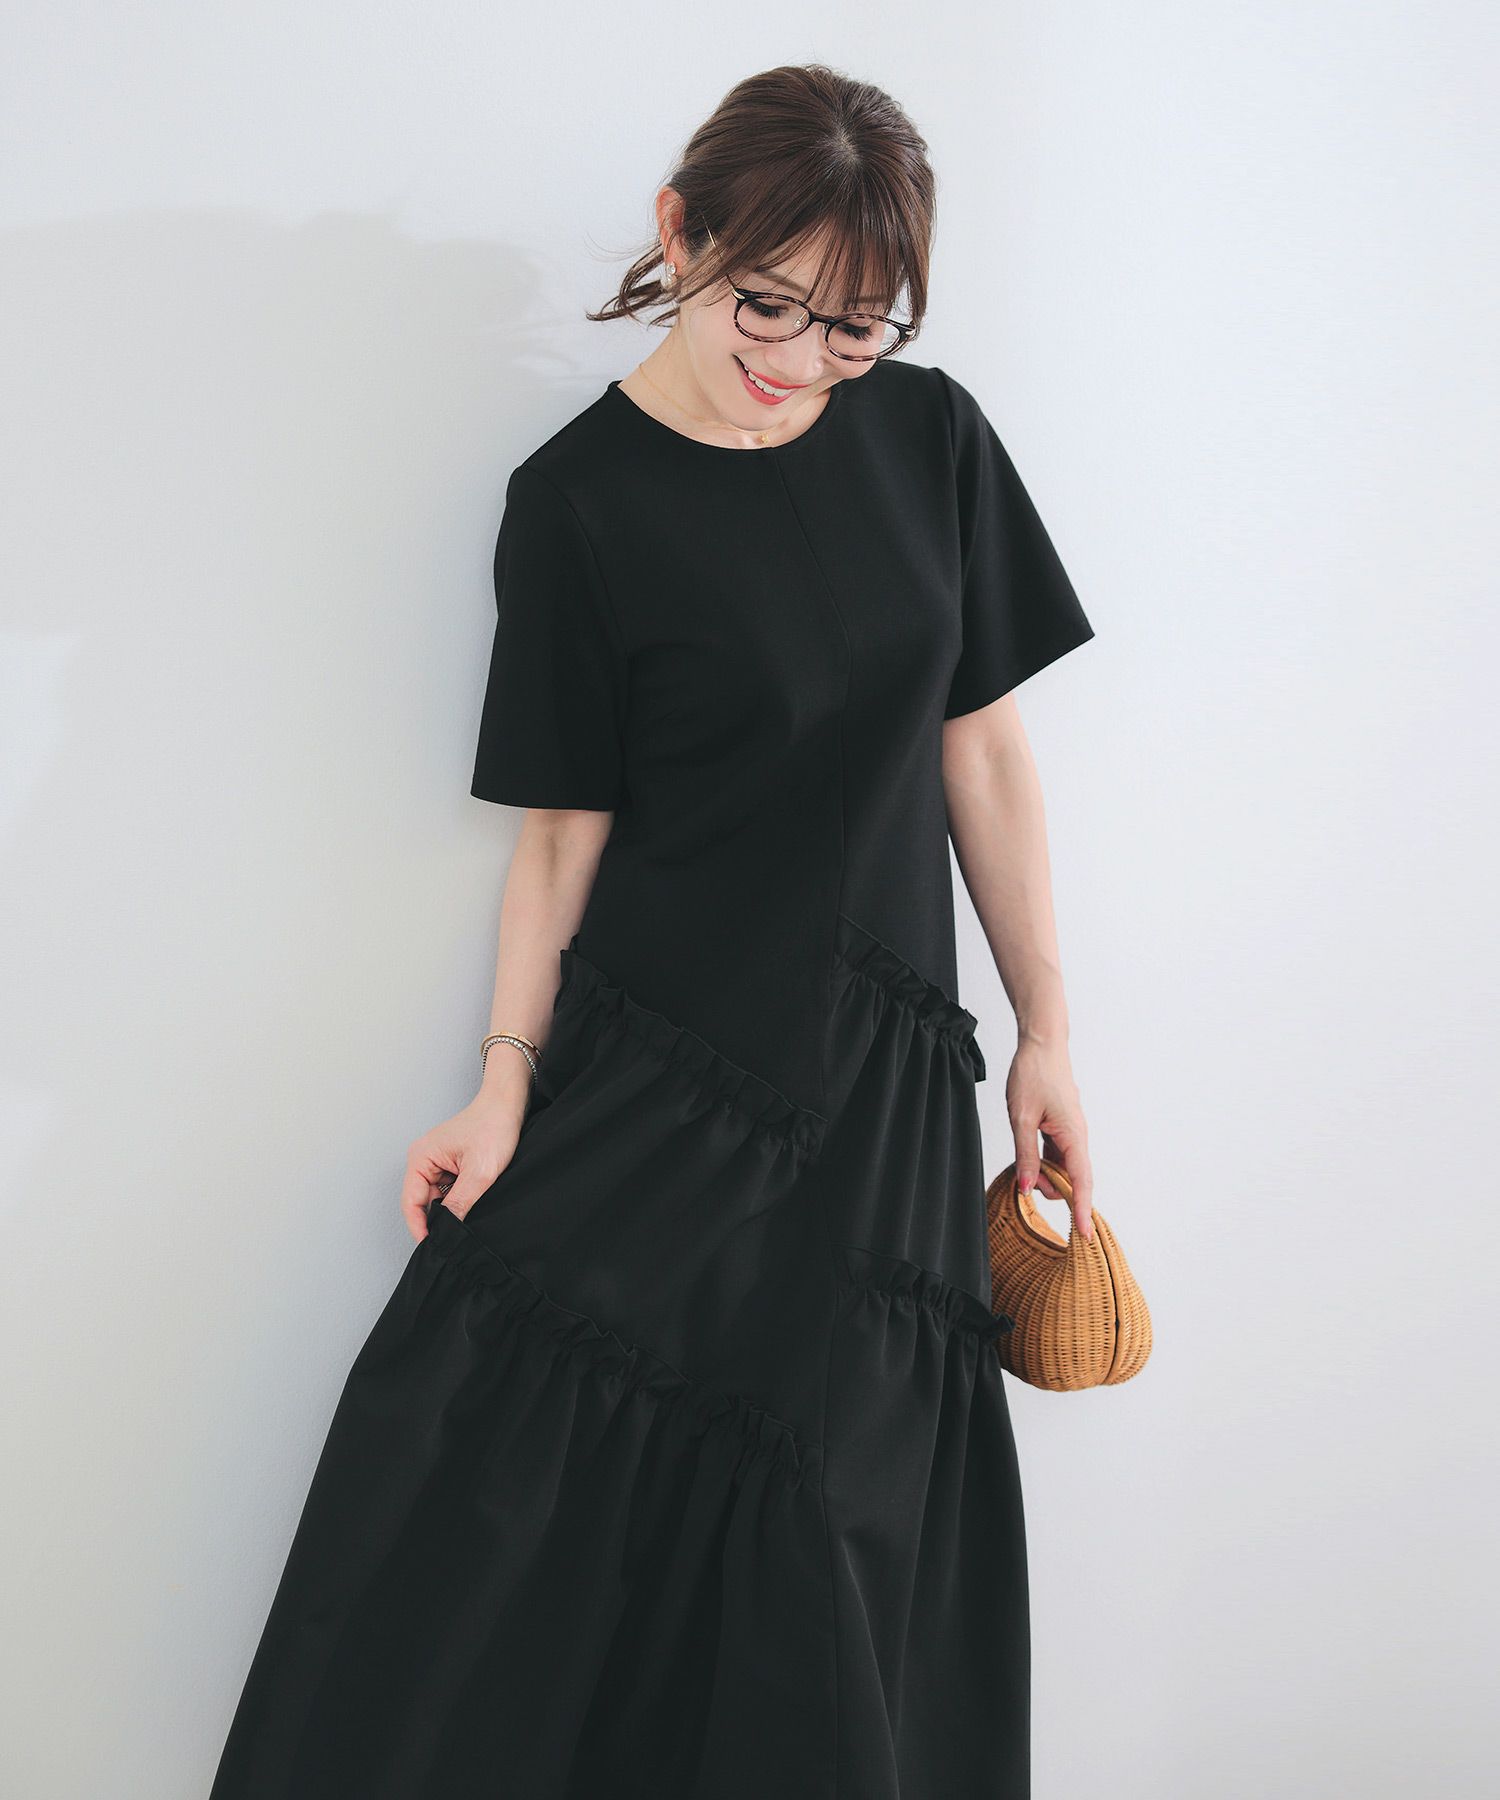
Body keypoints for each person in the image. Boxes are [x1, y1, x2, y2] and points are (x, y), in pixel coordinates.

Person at [210, 61, 1097, 1800]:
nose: (803, 360)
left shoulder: (931, 440)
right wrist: (502, 1084)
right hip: (671, 1086)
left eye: (855, 326)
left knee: (839, 1538)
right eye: (771, 302)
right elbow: (563, 835)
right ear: (681, 232)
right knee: (490, 1501)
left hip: (884, 1103)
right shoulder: (580, 503)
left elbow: (982, 751)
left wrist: (1049, 1031)